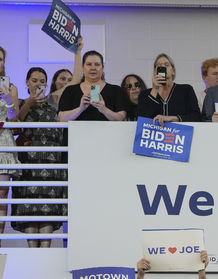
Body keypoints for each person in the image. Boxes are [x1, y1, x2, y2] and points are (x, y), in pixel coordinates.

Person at [11, 66, 68, 247]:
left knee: (47, 215)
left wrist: (78, 53)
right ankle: (32, 258)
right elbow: (13, 125)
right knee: (30, 213)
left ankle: (45, 258)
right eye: (34, 81)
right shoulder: (19, 103)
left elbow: (73, 82)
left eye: (42, 81)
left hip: (51, 167)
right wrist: (28, 103)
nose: (38, 84)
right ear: (27, 83)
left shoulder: (54, 104)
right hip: (29, 166)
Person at [58, 50, 126, 122]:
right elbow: (62, 118)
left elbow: (121, 118)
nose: (93, 68)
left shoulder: (115, 90)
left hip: (107, 133)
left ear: (102, 68)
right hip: (77, 133)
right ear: (82, 67)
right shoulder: (70, 90)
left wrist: (104, 109)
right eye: (89, 64)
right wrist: (80, 109)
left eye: (97, 64)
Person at [137, 53, 201, 125]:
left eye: (166, 65)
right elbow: (142, 120)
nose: (163, 67)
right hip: (155, 135)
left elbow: (196, 116)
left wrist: (173, 118)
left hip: (179, 135)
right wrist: (154, 89)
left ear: (173, 71)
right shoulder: (144, 94)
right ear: (155, 71)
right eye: (159, 66)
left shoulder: (186, 90)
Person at [0, 45, 21, 240]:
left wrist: (8, 101)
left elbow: (14, 118)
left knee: (1, 195)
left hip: (3, 142)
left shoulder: (10, 86)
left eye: (1, 59)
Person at [48, 36, 84, 109]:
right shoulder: (51, 97)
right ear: (54, 81)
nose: (66, 82)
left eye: (70, 80)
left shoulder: (78, 101)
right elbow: (76, 79)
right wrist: (77, 52)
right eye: (62, 79)